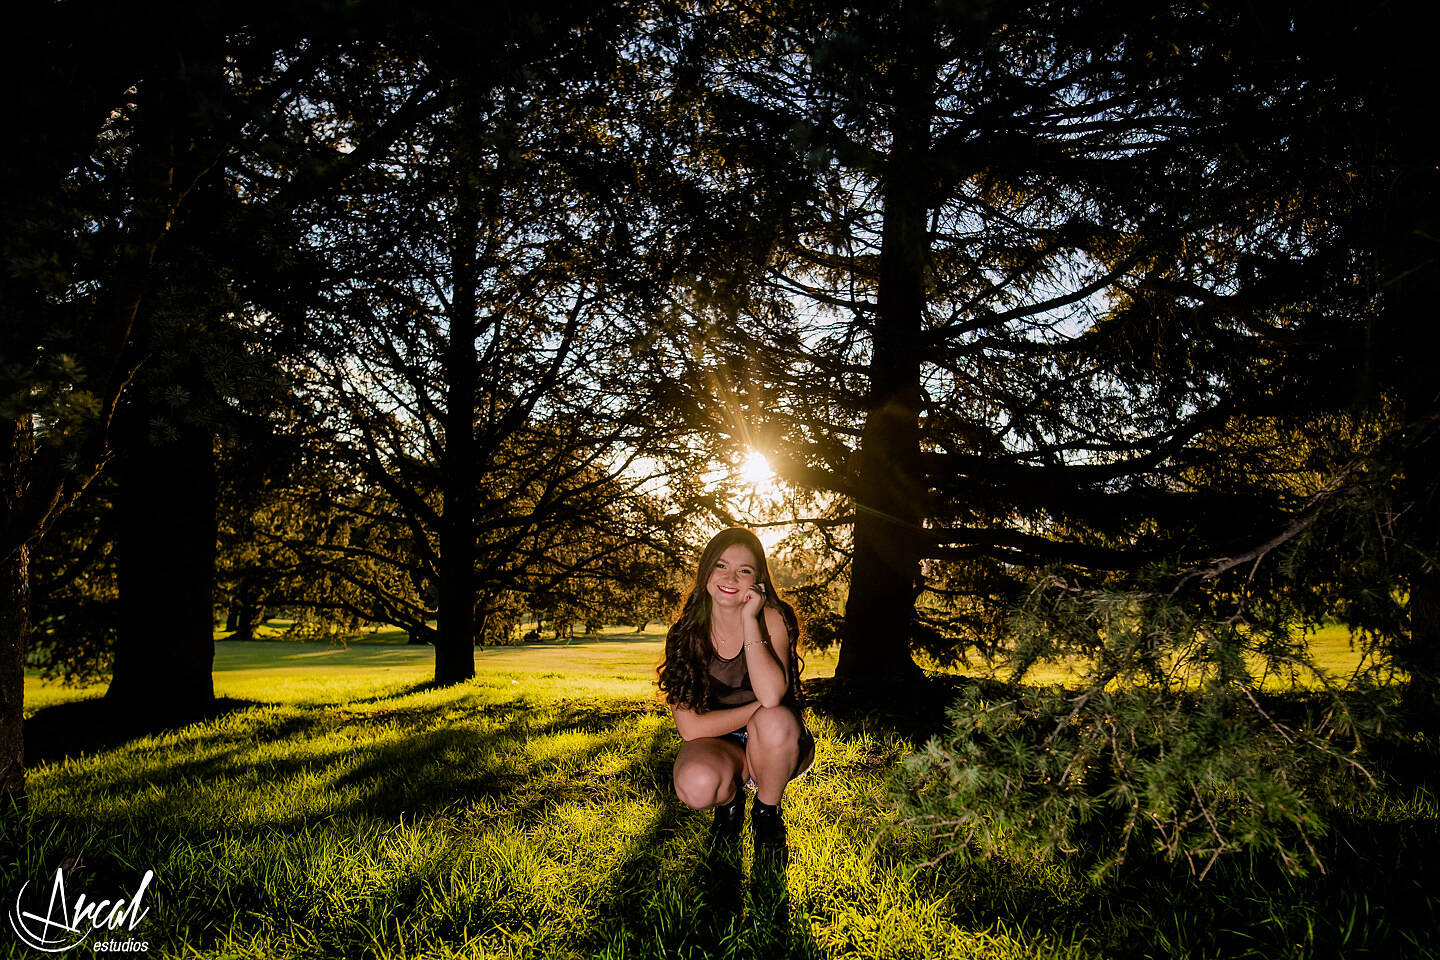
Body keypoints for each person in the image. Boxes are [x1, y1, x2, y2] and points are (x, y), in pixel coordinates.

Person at [658, 527, 815, 854]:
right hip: (719, 746)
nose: (731, 577)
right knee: (696, 785)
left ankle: (766, 813)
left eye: (744, 570)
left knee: (772, 720)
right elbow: (690, 729)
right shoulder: (686, 632)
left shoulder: (771, 617)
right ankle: (730, 805)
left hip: (777, 743)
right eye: (721, 565)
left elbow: (772, 699)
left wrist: (749, 619)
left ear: (757, 580)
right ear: (706, 573)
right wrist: (755, 708)